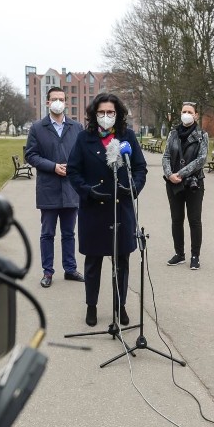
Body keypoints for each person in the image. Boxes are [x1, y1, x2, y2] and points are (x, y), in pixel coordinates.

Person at [67, 93, 147, 327]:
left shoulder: (127, 137)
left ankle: (120, 305)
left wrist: (133, 187)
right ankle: (91, 305)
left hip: (121, 209)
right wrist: (87, 191)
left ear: (117, 114)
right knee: (93, 262)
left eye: (110, 112)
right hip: (93, 210)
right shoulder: (84, 138)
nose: (105, 117)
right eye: (101, 112)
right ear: (94, 114)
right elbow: (73, 171)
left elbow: (141, 168)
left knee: (121, 261)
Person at [24, 87, 85, 288]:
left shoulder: (76, 127)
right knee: (47, 233)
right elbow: (31, 155)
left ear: (66, 102)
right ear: (47, 102)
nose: (58, 102)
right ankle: (48, 271)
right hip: (48, 189)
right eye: (54, 99)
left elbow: (83, 154)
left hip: (70, 189)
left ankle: (70, 268)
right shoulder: (37, 128)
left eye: (61, 99)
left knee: (69, 233)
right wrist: (53, 167)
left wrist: (73, 167)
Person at [162, 102, 208, 270]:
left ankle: (195, 255)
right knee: (176, 219)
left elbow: (201, 159)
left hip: (193, 183)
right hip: (173, 183)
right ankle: (179, 254)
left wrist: (180, 174)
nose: (186, 114)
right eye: (184, 111)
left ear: (196, 115)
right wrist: (169, 174)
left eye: (190, 112)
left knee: (194, 220)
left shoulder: (202, 135)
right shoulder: (173, 134)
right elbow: (166, 155)